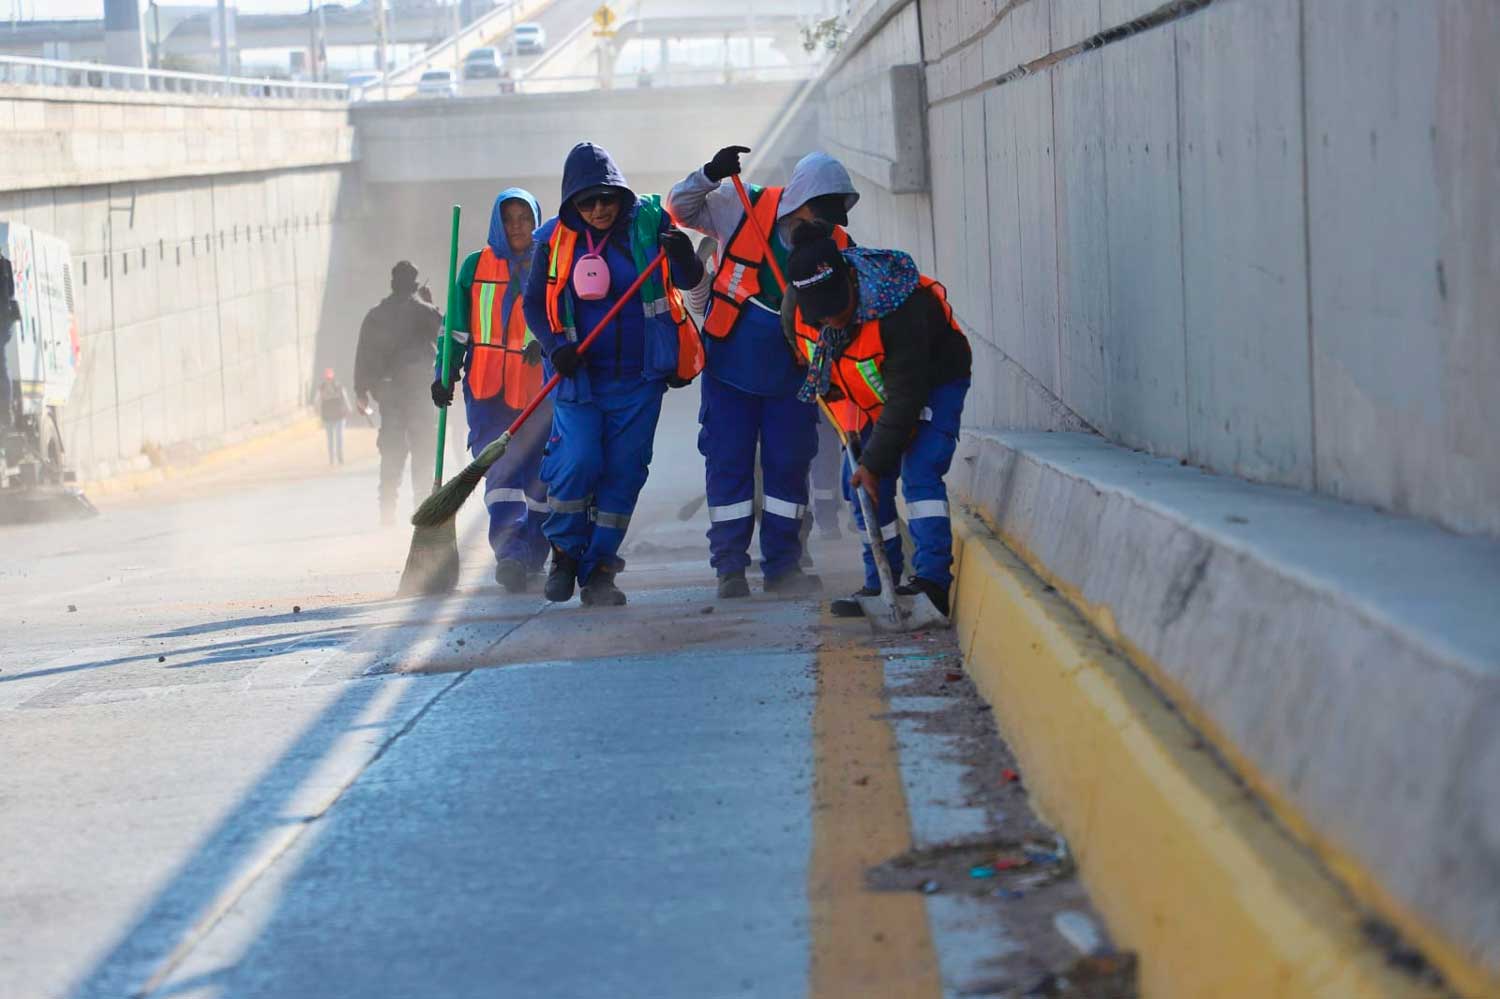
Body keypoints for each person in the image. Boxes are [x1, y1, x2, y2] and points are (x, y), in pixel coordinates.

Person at [666, 147, 859, 599]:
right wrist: (711, 173)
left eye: (833, 217)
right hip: (730, 367)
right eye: (820, 213)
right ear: (800, 200)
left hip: (793, 376)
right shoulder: (743, 205)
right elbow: (680, 208)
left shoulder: (840, 246)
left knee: (789, 468)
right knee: (728, 463)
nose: (826, 225)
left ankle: (783, 567)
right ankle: (730, 568)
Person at [522, 141, 705, 607]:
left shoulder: (650, 223)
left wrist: (683, 256)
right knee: (579, 459)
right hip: (579, 380)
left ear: (620, 194)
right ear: (572, 203)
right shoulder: (551, 240)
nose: (599, 209)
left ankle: (600, 569)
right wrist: (556, 346)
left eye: (607, 197)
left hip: (639, 380)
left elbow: (687, 281)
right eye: (588, 201)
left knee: (623, 474)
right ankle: (564, 552)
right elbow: (533, 307)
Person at [784, 222, 972, 619]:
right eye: (821, 313)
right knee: (862, 489)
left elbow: (906, 398)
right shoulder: (797, 310)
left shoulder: (900, 309)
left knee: (920, 472)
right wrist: (858, 448)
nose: (831, 319)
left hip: (933, 382)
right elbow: (808, 358)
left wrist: (873, 461)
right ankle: (880, 581)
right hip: (860, 393)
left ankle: (933, 585)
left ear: (850, 280)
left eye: (838, 306)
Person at [432, 188, 550, 593]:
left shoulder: (549, 262)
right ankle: (510, 553)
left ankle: (533, 549)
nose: (517, 226)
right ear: (497, 224)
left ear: (536, 221)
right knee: (499, 473)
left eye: (524, 218)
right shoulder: (473, 267)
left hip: (538, 393)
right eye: (509, 218)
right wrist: (443, 373)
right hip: (486, 392)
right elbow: (456, 330)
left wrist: (548, 342)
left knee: (540, 475)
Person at [354, 260, 443, 525]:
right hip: (419, 392)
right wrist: (430, 303)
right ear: (414, 284)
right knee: (424, 450)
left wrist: (361, 391)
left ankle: (387, 512)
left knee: (392, 451)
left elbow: (363, 355)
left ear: (393, 283)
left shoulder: (375, 315)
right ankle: (423, 509)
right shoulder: (424, 311)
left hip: (390, 393)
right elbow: (446, 335)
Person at [311, 367, 353, 465]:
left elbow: (345, 397)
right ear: (325, 378)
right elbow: (316, 401)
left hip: (339, 416)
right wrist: (317, 410)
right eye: (327, 378)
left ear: (332, 377)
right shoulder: (321, 388)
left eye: (330, 378)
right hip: (328, 417)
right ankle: (332, 460)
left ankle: (340, 458)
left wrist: (349, 408)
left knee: (339, 438)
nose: (328, 379)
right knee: (331, 440)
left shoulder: (338, 386)